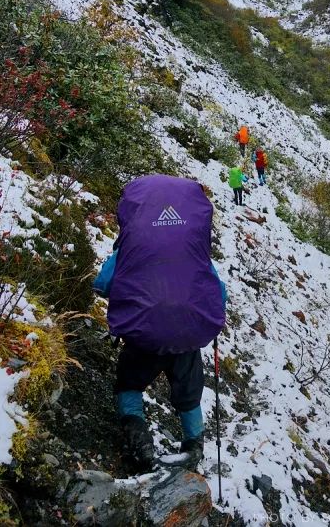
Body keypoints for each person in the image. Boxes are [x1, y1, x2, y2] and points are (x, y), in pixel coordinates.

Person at [93, 175, 227, 471]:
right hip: (186, 335)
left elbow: (102, 284)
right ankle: (193, 448)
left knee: (129, 383)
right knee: (189, 390)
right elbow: (218, 292)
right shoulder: (193, 252)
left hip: (144, 334)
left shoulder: (129, 249)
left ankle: (139, 442)